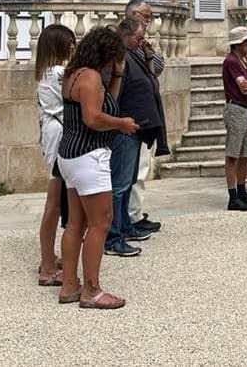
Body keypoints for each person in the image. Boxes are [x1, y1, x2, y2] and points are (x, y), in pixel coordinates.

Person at [57, 26, 139, 310]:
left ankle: (69, 285)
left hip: (69, 155)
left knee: (75, 224)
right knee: (100, 223)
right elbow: (93, 117)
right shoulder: (91, 77)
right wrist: (122, 124)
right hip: (89, 155)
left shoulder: (74, 74)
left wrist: (117, 74)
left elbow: (108, 102)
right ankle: (92, 290)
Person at [103, 18, 163, 257]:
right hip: (124, 129)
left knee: (127, 183)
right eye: (138, 37)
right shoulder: (118, 58)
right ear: (124, 35)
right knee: (119, 185)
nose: (142, 41)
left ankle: (125, 226)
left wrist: (148, 56)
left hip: (137, 128)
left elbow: (152, 81)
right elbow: (112, 96)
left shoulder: (134, 54)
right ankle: (112, 236)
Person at [34, 24, 76, 286]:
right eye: (69, 41)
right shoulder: (58, 73)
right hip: (59, 134)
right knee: (53, 203)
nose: (73, 45)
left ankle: (48, 257)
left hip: (52, 132)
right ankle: (47, 266)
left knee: (56, 201)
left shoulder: (48, 72)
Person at [124, 0, 164, 235]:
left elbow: (158, 66)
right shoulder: (127, 44)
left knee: (141, 168)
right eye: (146, 17)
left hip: (144, 116)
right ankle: (131, 217)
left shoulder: (141, 44)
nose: (149, 22)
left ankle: (135, 212)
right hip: (133, 117)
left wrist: (150, 53)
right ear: (134, 14)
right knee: (133, 171)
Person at [223, 26, 247, 211]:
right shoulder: (232, 61)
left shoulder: (243, 62)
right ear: (238, 44)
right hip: (237, 108)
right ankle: (233, 195)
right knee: (233, 154)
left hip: (246, 109)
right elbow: (246, 87)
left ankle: (241, 190)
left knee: (244, 153)